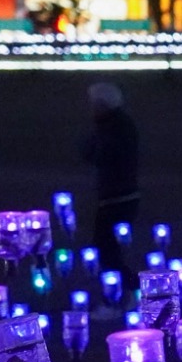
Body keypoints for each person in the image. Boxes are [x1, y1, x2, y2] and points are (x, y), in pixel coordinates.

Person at [81, 83, 140, 310]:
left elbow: (99, 154)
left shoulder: (116, 128)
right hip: (115, 195)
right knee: (107, 249)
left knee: (106, 249)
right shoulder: (113, 125)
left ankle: (118, 298)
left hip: (117, 196)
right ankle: (128, 292)